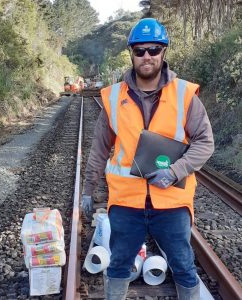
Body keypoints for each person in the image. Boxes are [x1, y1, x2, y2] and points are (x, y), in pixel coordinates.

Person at [81, 18, 214, 300]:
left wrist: (176, 171)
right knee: (118, 264)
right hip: (126, 202)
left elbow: (205, 142)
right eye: (140, 51)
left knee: (183, 266)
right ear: (131, 53)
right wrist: (88, 189)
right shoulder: (114, 96)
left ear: (164, 52)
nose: (147, 57)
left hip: (172, 203)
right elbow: (99, 148)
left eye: (153, 49)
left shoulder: (185, 95)